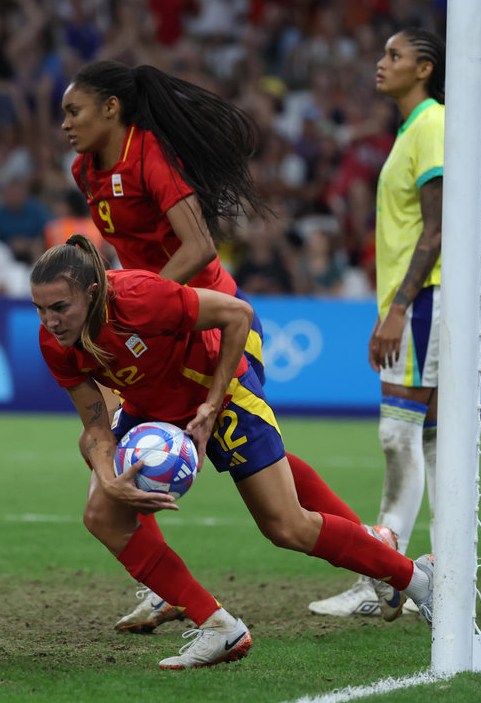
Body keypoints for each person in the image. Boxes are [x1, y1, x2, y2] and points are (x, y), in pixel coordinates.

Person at [31, 235, 434, 670]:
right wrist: (110, 479)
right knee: (101, 514)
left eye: (59, 308)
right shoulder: (55, 343)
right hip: (152, 408)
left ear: (91, 294)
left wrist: (209, 406)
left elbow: (237, 314)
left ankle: (416, 579)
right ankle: (219, 626)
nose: (50, 321)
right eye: (40, 308)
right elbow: (95, 424)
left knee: (286, 527)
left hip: (220, 392)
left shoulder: (139, 297)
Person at [60, 59, 274, 632]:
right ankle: (165, 588)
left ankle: (378, 556)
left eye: (73, 110)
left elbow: (200, 245)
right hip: (142, 323)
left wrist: (140, 298)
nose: (65, 123)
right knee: (106, 450)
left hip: (206, 318)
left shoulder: (149, 153)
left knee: (262, 472)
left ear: (111, 108)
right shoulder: (86, 170)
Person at [309, 28, 445, 617]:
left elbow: (436, 229)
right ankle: (435, 574)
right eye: (381, 51)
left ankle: (386, 578)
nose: (380, 61)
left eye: (394, 55)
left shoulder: (432, 124)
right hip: (414, 300)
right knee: (433, 437)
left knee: (398, 433)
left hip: (424, 301)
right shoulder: (409, 130)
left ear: (425, 67)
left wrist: (397, 308)